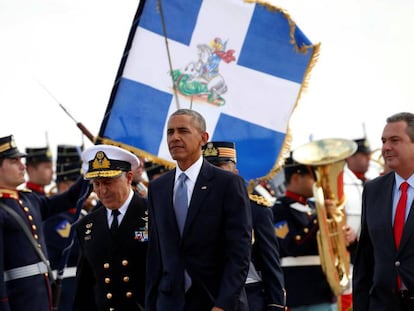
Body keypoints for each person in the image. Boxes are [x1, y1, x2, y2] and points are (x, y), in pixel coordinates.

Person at [145, 109, 252, 311]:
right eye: (170, 132)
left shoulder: (228, 184)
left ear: (203, 138)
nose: (174, 138)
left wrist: (224, 304)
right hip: (170, 303)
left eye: (183, 131)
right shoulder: (158, 188)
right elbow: (155, 255)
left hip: (215, 301)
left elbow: (239, 252)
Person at [0, 135, 86, 311]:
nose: (22, 166)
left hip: (42, 298)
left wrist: (89, 172)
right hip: (19, 302)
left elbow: (69, 198)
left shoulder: (29, 199)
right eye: (14, 161)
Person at [202, 141, 286, 311]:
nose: (215, 174)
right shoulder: (192, 209)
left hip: (249, 296)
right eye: (210, 169)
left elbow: (270, 264)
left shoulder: (256, 209)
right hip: (206, 296)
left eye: (221, 167)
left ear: (235, 172)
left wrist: (276, 304)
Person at [73, 144, 148, 311]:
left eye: (108, 182)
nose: (102, 191)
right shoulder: (87, 225)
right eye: (97, 184)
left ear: (129, 177)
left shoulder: (153, 215)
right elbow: (84, 285)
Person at [353, 112, 414, 311]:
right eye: (384, 141)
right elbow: (365, 257)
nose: (386, 148)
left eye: (395, 140)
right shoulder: (373, 190)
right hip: (382, 304)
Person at [272, 154, 337, 311]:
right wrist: (319, 218)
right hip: (299, 292)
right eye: (313, 177)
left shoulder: (314, 208)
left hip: (323, 289)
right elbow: (291, 245)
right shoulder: (279, 209)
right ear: (296, 178)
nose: (318, 183)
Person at [42, 144, 87, 311]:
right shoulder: (57, 220)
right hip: (67, 293)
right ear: (65, 185)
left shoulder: (79, 214)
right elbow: (78, 247)